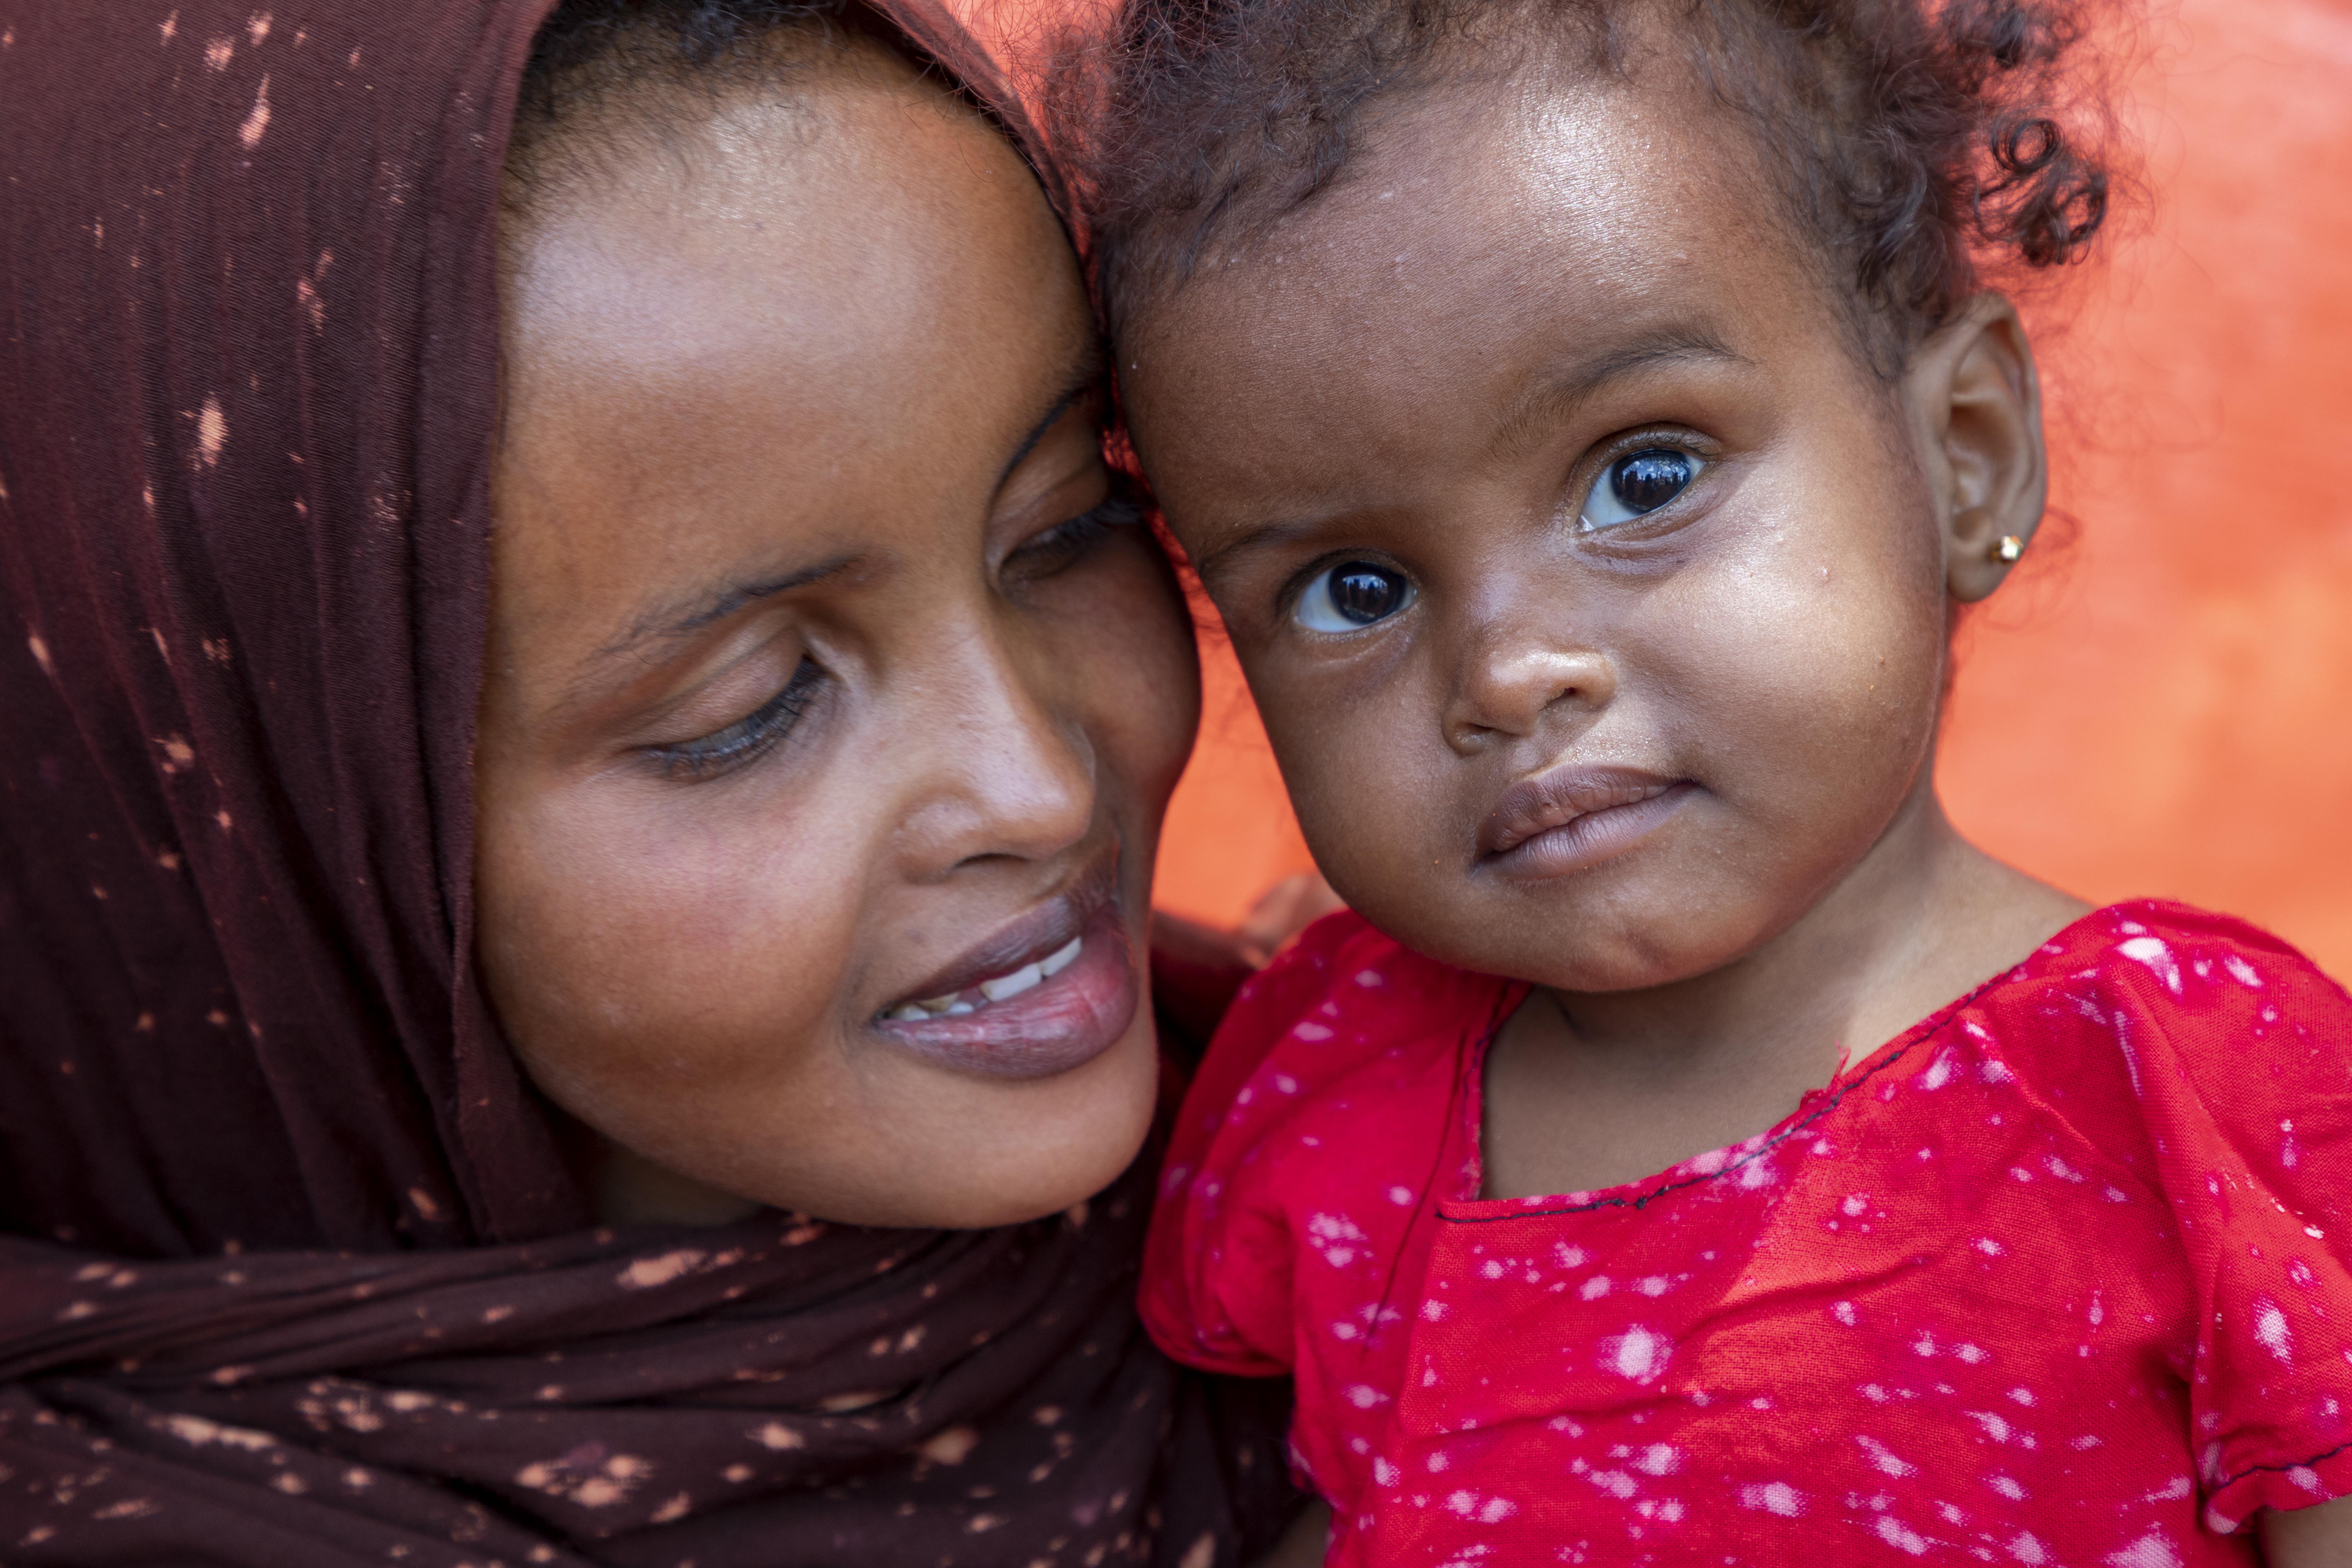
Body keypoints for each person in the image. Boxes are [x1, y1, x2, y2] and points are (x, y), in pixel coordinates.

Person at [1050, 0, 2352, 1561]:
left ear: (1966, 447)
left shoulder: (2196, 1082)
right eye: (1353, 589)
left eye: (1644, 476)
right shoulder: (1344, 1091)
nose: (1509, 669)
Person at [0, 1, 1295, 1560]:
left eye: (1068, 526)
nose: (1031, 786)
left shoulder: (1389, 1139)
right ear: (242, 834)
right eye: (745, 709)